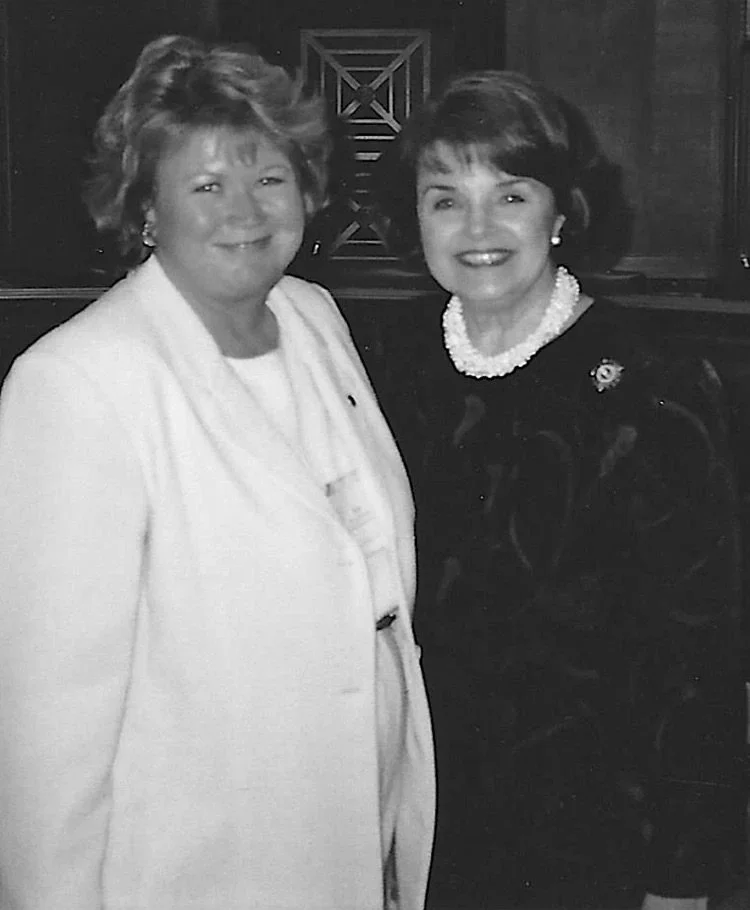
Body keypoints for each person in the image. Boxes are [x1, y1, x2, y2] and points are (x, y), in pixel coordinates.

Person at [0, 35, 435, 910]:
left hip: (359, 821)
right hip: (201, 862)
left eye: (270, 179)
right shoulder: (79, 384)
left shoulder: (311, 318)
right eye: (205, 186)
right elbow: (50, 723)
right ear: (146, 209)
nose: (246, 209)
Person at [374, 70, 747, 910]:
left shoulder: (652, 384)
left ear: (562, 211)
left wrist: (683, 877)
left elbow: (701, 654)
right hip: (418, 803)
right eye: (445, 198)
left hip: (592, 824)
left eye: (510, 193)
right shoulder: (385, 367)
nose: (477, 228)